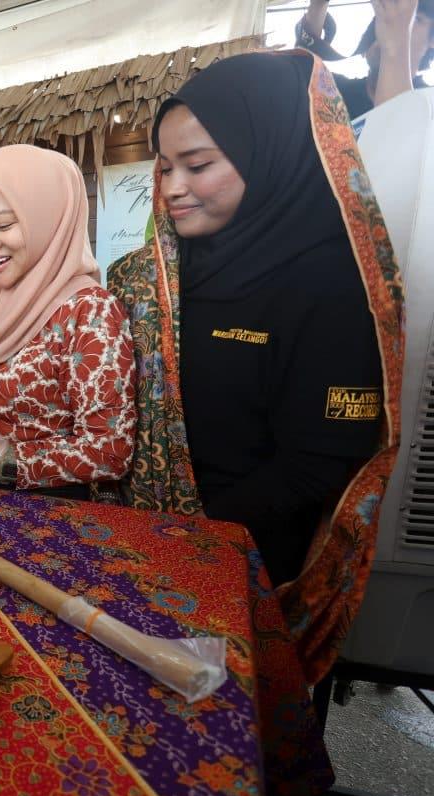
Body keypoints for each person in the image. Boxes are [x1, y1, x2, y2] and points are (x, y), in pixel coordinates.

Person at [108, 51, 403, 679]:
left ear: (269, 151)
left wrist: (188, 534)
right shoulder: (164, 272)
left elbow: (318, 462)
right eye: (164, 168)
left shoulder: (328, 283)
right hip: (148, 543)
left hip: (253, 562)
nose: (173, 187)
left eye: (198, 165)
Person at [0, 145, 135, 495]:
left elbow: (110, 449)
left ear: (47, 218)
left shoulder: (89, 312)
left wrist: (3, 457)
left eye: (4, 225)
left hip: (49, 513)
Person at [297, 0, 434, 118]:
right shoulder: (337, 91)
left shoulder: (429, 102)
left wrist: (394, 51)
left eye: (415, 18)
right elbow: (299, 73)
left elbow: (400, 139)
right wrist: (318, 5)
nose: (391, 22)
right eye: (381, 16)